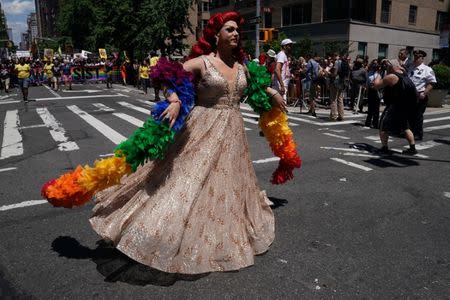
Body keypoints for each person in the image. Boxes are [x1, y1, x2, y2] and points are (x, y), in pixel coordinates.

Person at [43, 11, 292, 275]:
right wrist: (174, 99)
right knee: (186, 181)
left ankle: (216, 230)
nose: (235, 34)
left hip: (233, 134)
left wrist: (273, 92)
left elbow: (256, 85)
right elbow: (163, 74)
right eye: (229, 30)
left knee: (225, 184)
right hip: (201, 129)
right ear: (215, 34)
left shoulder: (242, 67)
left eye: (236, 31)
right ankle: (156, 230)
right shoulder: (202, 63)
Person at [373, 59, 418, 155]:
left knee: (383, 127)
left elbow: (376, 85)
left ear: (391, 67)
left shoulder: (391, 77)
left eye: (388, 66)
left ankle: (384, 148)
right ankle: (412, 148)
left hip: (394, 106)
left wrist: (378, 72)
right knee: (405, 127)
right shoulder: (404, 74)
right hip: (404, 106)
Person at [407, 50, 437, 140]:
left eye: (417, 57)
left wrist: (424, 93)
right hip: (409, 96)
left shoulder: (427, 69)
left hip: (420, 96)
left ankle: (418, 134)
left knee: (418, 116)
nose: (415, 58)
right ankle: (410, 132)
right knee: (410, 115)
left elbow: (432, 82)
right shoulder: (410, 67)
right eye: (415, 57)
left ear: (422, 58)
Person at [274, 38, 295, 104]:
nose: (291, 47)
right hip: (280, 86)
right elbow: (277, 70)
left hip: (281, 85)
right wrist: (282, 85)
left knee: (279, 109)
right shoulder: (281, 55)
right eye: (289, 45)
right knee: (281, 108)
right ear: (284, 46)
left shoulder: (284, 55)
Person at [365, 59, 382, 128]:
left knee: (376, 108)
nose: (375, 65)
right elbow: (367, 82)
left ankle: (375, 123)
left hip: (377, 91)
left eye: (376, 64)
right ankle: (368, 122)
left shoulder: (379, 74)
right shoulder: (370, 73)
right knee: (370, 108)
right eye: (373, 64)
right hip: (371, 91)